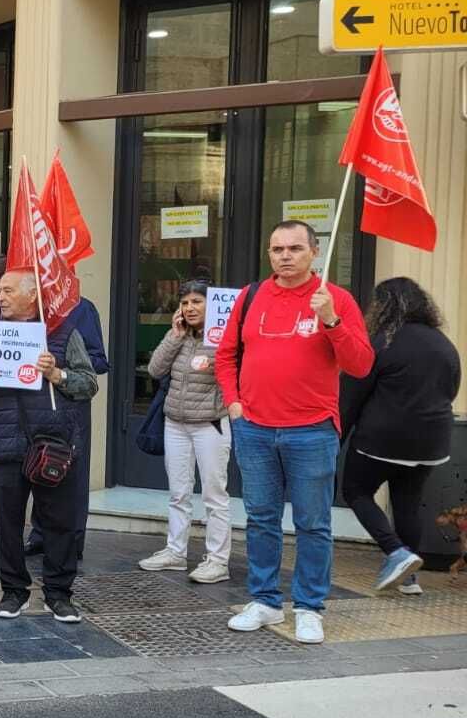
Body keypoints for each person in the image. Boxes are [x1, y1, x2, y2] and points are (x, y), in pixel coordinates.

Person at [219, 220, 373, 645]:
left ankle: (309, 607)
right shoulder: (251, 297)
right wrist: (233, 403)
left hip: (311, 431)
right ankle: (265, 600)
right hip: (254, 429)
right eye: (277, 249)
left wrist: (331, 320)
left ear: (314, 253)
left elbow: (361, 365)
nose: (285, 256)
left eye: (294, 248)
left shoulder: (336, 299)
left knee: (313, 523)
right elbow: (226, 354)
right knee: (261, 519)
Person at [0, 270, 100, 622]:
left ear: (31, 295)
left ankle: (59, 593)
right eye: (0, 290)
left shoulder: (64, 333)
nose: (0, 297)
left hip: (53, 443)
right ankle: (13, 591)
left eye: (7, 290)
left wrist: (56, 374)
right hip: (5, 440)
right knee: (7, 523)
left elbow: (88, 384)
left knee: (59, 521)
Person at [340, 277, 460, 595]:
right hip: (432, 443)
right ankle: (409, 580)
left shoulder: (382, 342)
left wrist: (336, 438)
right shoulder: (444, 344)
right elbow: (451, 389)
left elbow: (352, 396)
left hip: (381, 441)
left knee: (356, 491)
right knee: (407, 504)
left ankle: (396, 552)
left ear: (384, 306)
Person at [140, 280, 232, 584]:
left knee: (214, 495)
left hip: (210, 424)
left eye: (197, 302)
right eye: (185, 303)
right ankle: (175, 552)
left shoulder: (225, 336)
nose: (190, 308)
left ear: (212, 305)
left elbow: (231, 373)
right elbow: (154, 369)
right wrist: (174, 335)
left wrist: (219, 345)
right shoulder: (179, 335)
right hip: (175, 423)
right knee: (178, 493)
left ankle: (217, 560)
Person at [25, 295, 109, 558]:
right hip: (36, 405)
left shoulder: (82, 308)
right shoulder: (27, 309)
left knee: (70, 472)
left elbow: (98, 360)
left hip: (71, 403)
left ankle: (73, 541)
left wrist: (61, 363)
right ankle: (39, 535)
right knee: (38, 467)